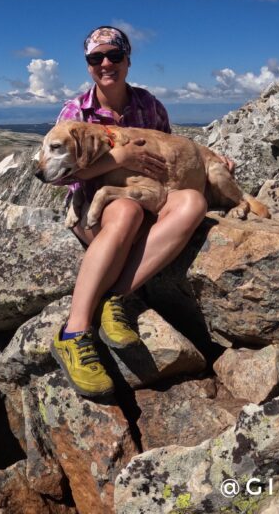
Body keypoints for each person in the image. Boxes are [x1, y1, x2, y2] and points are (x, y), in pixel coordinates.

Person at [49, 25, 234, 398]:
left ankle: (117, 298)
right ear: (87, 66)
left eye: (114, 56)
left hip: (151, 196)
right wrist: (119, 157)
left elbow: (173, 149)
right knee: (126, 212)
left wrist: (210, 159)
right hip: (95, 205)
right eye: (96, 58)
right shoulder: (75, 112)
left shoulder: (149, 105)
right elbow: (56, 174)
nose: (106, 64)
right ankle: (74, 332)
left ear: (128, 60)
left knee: (193, 203)